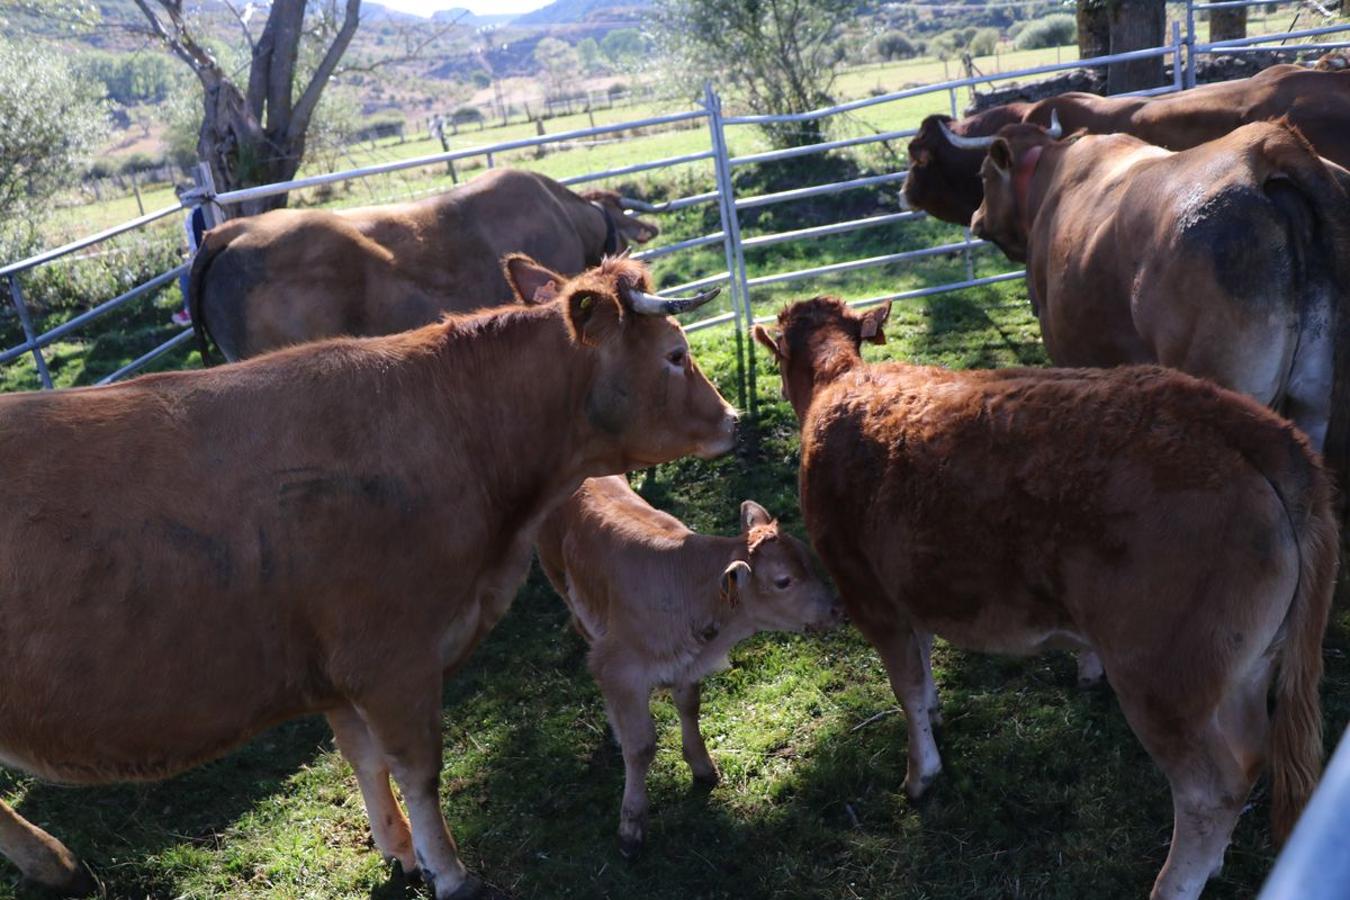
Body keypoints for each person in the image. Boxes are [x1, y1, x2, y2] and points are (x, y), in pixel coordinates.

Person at [173, 187, 207, 327]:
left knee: (183, 272)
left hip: (203, 253)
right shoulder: (211, 205)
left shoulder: (193, 214)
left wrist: (190, 256)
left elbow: (197, 243)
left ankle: (190, 310)